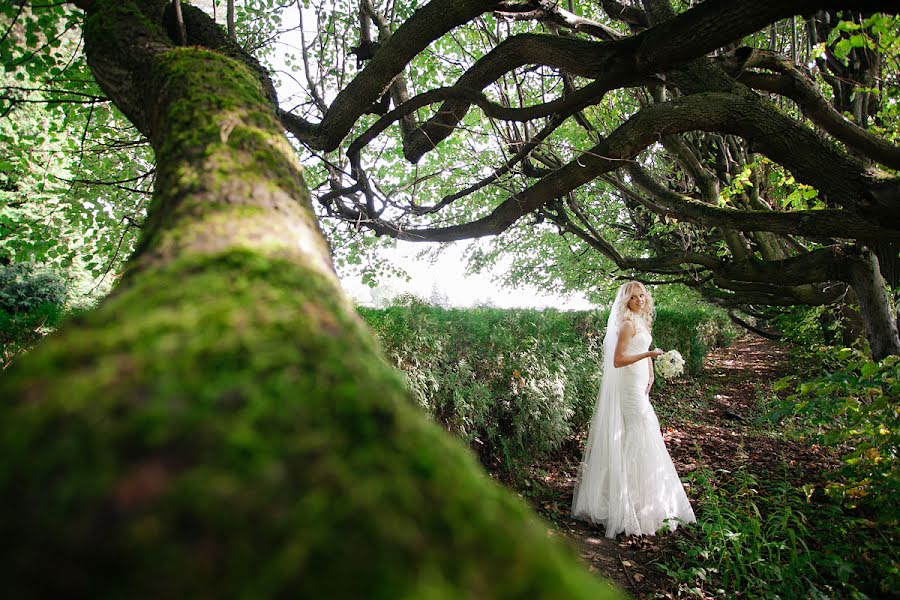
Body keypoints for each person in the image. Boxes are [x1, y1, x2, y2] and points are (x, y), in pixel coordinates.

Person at [571, 281, 695, 538]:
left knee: (640, 431)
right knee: (640, 430)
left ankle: (642, 496)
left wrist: (650, 372)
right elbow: (618, 360)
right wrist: (647, 358)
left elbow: (643, 349)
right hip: (627, 385)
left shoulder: (641, 321)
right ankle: (625, 501)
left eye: (642, 296)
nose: (640, 300)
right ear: (625, 301)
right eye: (634, 297)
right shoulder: (627, 324)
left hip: (639, 381)